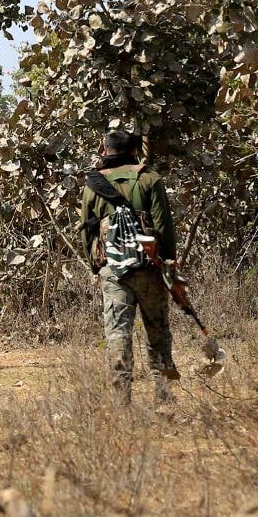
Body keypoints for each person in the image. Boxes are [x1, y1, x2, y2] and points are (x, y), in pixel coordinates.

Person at [81, 130, 179, 405]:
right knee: (158, 333)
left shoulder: (93, 184)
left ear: (105, 149)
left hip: (113, 271)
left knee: (118, 333)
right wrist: (168, 263)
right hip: (150, 268)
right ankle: (164, 397)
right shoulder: (150, 178)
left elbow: (86, 231)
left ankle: (121, 401)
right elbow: (163, 227)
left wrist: (96, 266)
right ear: (135, 150)